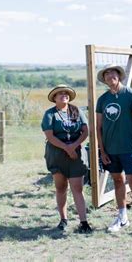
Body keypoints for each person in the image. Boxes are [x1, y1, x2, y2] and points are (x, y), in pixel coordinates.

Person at [95, 64, 132, 238]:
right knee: (118, 181)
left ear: (119, 75)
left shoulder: (131, 95)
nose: (110, 76)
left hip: (129, 149)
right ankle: (122, 217)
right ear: (104, 79)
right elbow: (99, 127)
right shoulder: (102, 100)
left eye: (113, 73)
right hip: (110, 150)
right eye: (106, 74)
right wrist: (102, 150)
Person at [41, 84, 92, 233]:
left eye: (66, 93)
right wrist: (66, 148)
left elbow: (85, 131)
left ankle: (84, 222)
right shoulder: (50, 114)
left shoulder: (76, 111)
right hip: (56, 154)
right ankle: (63, 219)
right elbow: (50, 136)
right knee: (61, 187)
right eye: (60, 93)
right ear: (54, 98)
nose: (64, 95)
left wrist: (74, 146)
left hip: (76, 154)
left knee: (77, 187)